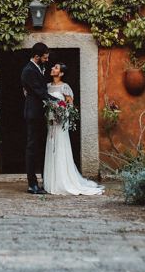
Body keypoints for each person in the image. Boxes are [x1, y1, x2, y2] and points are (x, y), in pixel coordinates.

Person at [43, 62, 104, 195]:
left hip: (60, 124)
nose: (53, 68)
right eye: (53, 67)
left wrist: (61, 113)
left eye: (56, 68)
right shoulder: (47, 86)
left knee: (60, 149)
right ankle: (51, 182)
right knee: (51, 147)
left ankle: (62, 181)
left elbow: (70, 106)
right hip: (51, 123)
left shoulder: (65, 87)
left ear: (61, 73)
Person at [21, 42, 58, 195]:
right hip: (33, 113)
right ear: (36, 57)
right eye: (44, 57)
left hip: (40, 113)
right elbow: (39, 92)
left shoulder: (38, 68)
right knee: (32, 148)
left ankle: (44, 179)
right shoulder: (28, 71)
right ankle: (32, 184)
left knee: (40, 147)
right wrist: (58, 102)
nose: (47, 60)